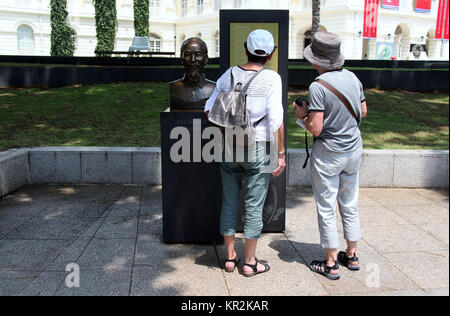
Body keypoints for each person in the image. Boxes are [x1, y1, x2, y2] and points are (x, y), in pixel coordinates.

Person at [205, 29, 286, 277]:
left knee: (229, 201)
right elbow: (276, 122)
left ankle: (230, 258)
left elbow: (208, 111)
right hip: (259, 148)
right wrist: (280, 153)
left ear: (245, 49)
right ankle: (250, 262)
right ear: (271, 54)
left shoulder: (227, 75)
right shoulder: (272, 79)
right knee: (254, 204)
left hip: (228, 146)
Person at [294, 31, 368, 281]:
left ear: (315, 59)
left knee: (326, 206)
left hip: (329, 154)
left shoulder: (318, 86)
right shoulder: (353, 77)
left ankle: (331, 262)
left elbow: (316, 128)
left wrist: (300, 117)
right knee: (349, 202)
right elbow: (364, 111)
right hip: (353, 149)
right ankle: (352, 254)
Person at [170, 37, 216, 111]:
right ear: (181, 58)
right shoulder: (171, 88)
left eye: (198, 54)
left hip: (203, 121)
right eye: (187, 54)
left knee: (196, 123)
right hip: (181, 121)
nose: (193, 59)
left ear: (206, 59)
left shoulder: (216, 89)